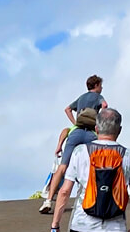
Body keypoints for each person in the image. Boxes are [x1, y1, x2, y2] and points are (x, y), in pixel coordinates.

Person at [39, 76, 106, 214]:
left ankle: (48, 200)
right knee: (93, 166)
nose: (102, 88)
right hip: (91, 134)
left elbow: (67, 109)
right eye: (101, 85)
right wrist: (100, 122)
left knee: (63, 166)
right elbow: (104, 106)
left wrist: (75, 122)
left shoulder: (81, 98)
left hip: (76, 132)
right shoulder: (98, 97)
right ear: (97, 85)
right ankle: (93, 199)